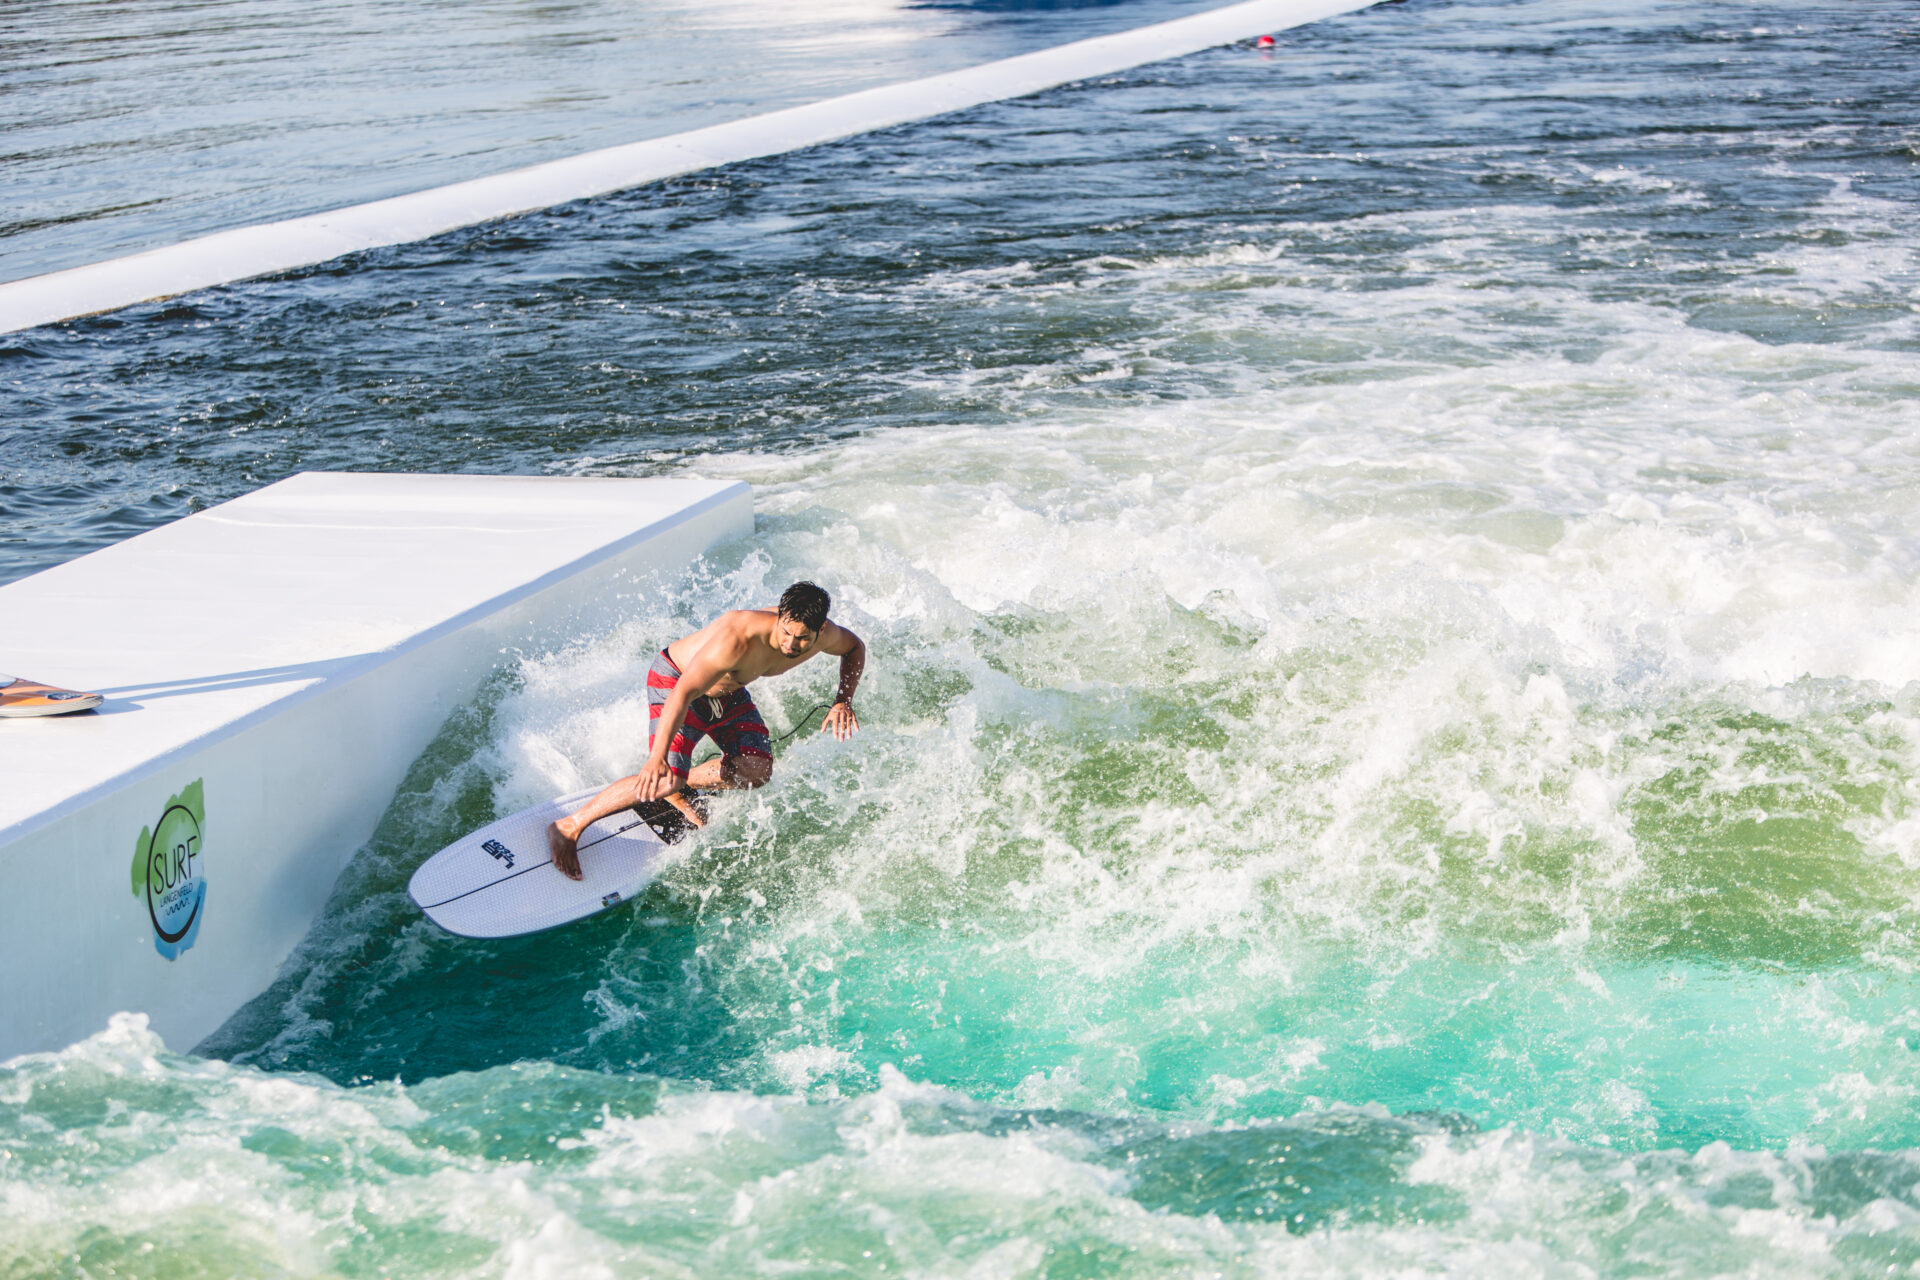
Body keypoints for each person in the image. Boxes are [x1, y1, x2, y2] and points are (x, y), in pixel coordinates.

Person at [545, 581, 865, 880]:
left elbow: (855, 648)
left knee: (756, 771)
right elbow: (682, 693)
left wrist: (842, 701)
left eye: (802, 638)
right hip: (677, 681)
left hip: (727, 692)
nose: (791, 644)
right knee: (666, 776)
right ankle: (569, 826)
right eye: (786, 633)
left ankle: (680, 784)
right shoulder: (737, 638)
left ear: (820, 629)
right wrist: (658, 758)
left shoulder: (827, 635)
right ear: (779, 617)